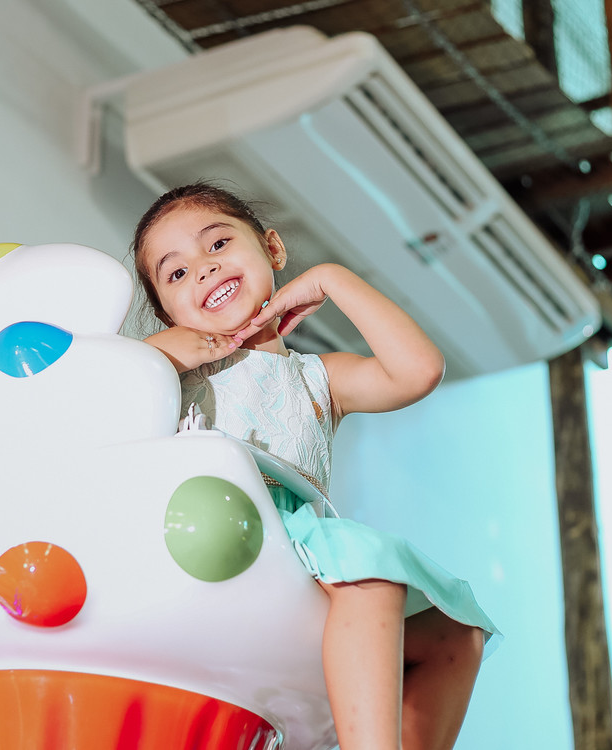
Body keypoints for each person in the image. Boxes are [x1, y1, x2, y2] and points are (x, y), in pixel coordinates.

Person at [131, 183, 499, 750]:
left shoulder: (318, 378)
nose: (203, 270)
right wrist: (176, 350)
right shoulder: (166, 373)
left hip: (304, 547)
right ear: (166, 312)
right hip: (221, 533)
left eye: (218, 243)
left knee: (457, 634)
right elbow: (105, 388)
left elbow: (418, 370)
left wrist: (332, 277)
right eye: (175, 274)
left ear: (273, 250)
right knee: (373, 576)